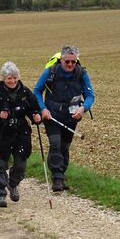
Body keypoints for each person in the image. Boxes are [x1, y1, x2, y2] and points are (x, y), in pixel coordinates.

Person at [33, 45, 94, 192]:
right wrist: (43, 109)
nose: (70, 65)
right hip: (51, 115)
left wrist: (83, 108)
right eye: (67, 61)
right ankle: (57, 177)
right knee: (55, 143)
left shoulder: (81, 74)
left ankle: (61, 173)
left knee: (64, 146)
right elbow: (37, 90)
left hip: (71, 116)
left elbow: (90, 95)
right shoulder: (50, 72)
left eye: (73, 62)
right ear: (61, 60)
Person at [0, 62, 41, 208]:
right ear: (3, 78)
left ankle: (13, 183)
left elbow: (34, 108)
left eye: (14, 77)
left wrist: (36, 116)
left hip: (21, 132)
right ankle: (1, 193)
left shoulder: (25, 92)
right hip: (1, 133)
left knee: (21, 164)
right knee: (1, 164)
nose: (12, 81)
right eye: (9, 78)